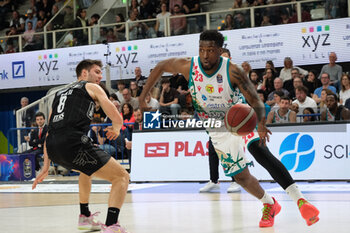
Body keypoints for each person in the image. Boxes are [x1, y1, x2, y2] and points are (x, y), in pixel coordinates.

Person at [139, 30, 319, 227]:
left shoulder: (232, 71)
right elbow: (160, 66)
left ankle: (301, 201)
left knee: (258, 149)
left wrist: (260, 124)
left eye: (210, 50)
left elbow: (254, 99)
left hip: (239, 116)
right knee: (240, 176)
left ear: (219, 50)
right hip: (215, 126)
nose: (205, 55)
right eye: (201, 49)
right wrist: (142, 96)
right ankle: (269, 204)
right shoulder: (188, 65)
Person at [32, 59, 130, 233]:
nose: (100, 76)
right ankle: (111, 225)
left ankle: (84, 217)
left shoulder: (58, 94)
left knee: (86, 170)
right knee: (121, 176)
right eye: (97, 72)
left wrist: (46, 165)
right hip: (72, 143)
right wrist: (116, 127)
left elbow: (49, 131)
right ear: (84, 73)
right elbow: (115, 114)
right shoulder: (91, 86)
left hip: (54, 147)